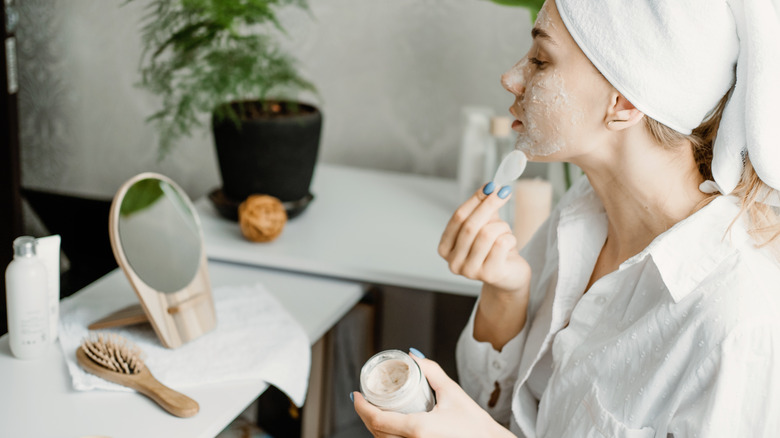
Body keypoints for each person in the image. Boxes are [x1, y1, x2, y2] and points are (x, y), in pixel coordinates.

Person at [352, 0, 780, 436]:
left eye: (540, 60)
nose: (510, 77)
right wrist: (507, 295)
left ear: (625, 102)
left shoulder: (740, 322)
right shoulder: (580, 214)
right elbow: (496, 413)